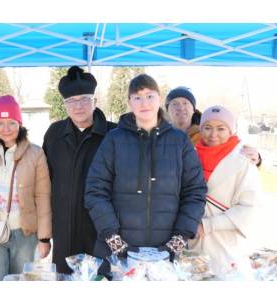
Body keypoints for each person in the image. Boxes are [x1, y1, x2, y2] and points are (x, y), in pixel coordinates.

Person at [85, 74, 207, 276]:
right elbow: (95, 190)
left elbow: (195, 191)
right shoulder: (114, 139)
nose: (144, 103)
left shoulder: (179, 142)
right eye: (137, 97)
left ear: (159, 100)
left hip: (167, 253)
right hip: (119, 253)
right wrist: (114, 240)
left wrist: (178, 240)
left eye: (150, 96)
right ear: (129, 103)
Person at [42, 66, 117, 274]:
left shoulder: (113, 134)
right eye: (71, 101)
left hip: (101, 229)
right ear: (65, 104)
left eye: (84, 99)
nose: (78, 106)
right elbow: (45, 182)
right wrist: (45, 233)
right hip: (64, 228)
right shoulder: (54, 134)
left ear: (95, 101)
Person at [0, 95, 52, 280]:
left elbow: (42, 196)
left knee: (24, 284)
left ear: (20, 123)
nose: (6, 129)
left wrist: (44, 238)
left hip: (26, 233)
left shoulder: (35, 153)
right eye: (0, 123)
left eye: (11, 122)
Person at [189, 105, 261, 276]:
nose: (213, 134)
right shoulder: (190, 155)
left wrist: (207, 225)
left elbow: (249, 208)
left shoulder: (243, 160)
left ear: (231, 131)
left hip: (225, 244)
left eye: (221, 128)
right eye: (207, 128)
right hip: (192, 243)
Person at [166, 86, 262, 166]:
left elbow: (234, 147)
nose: (181, 107)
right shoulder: (160, 134)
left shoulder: (208, 133)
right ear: (167, 109)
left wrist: (256, 158)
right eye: (175, 104)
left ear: (193, 109)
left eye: (185, 103)